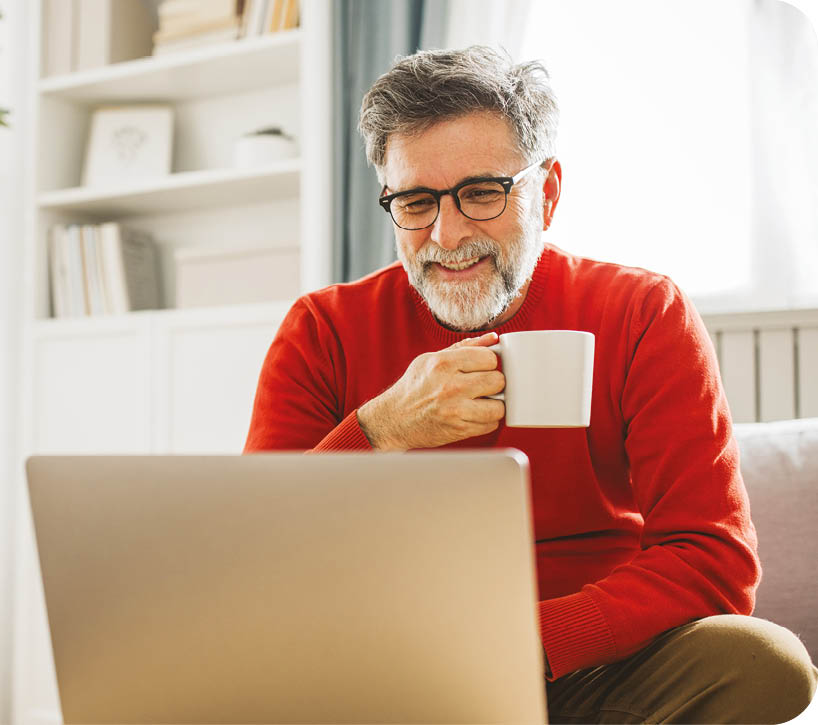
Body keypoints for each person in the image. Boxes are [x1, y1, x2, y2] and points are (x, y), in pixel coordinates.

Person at [244, 46, 817, 723]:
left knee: (765, 661)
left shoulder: (643, 311)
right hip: (387, 665)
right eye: (416, 201)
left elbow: (711, 557)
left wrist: (522, 642)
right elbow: (258, 553)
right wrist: (381, 428)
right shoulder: (322, 329)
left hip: (589, 663)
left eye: (482, 193)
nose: (447, 233)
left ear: (545, 191)